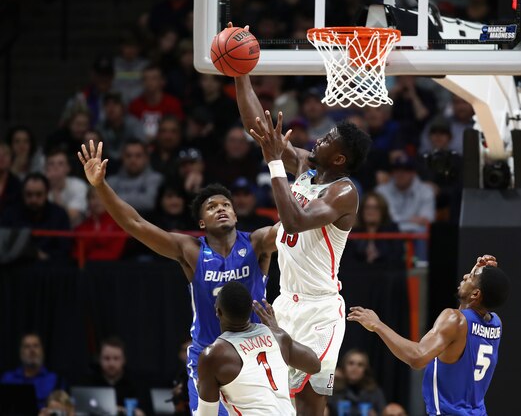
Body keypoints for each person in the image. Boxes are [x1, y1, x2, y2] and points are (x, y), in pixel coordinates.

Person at [77, 140, 278, 415]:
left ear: (235, 214)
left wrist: (305, 177)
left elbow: (294, 226)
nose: (221, 208)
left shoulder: (257, 242)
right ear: (202, 223)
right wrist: (100, 186)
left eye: (226, 204)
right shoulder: (191, 251)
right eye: (212, 207)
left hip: (254, 352)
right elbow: (135, 225)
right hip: (208, 357)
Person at [235, 67, 372, 414]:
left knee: (311, 405)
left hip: (319, 310)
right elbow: (260, 130)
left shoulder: (344, 192)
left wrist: (273, 164)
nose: (318, 140)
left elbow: (294, 222)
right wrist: (239, 75)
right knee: (275, 400)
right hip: (284, 303)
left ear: (339, 159)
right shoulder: (304, 166)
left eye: (327, 141)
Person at [348, 256, 509, 415]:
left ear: (475, 294)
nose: (466, 276)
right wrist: (478, 272)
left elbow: (417, 357)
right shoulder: (495, 324)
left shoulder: (454, 320)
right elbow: (466, 313)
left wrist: (377, 325)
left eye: (472, 277)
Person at [196, 281, 321, 415]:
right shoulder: (277, 336)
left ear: (218, 311)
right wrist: (277, 330)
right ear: (250, 309)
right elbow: (314, 365)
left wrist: (202, 387)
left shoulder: (214, 355)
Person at [0, 173, 71, 261]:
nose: (34, 199)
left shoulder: (59, 215)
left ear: (46, 193)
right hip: (16, 267)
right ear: (23, 194)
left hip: (51, 267)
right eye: (29, 194)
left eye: (39, 194)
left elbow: (65, 249)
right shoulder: (10, 213)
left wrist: (44, 256)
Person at [1, 333, 63, 409]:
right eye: (27, 346)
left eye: (36, 346)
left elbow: (64, 407)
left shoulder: (55, 379)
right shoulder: (8, 378)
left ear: (42, 350)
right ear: (21, 352)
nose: (32, 350)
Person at [85, 337, 146, 414]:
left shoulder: (136, 383)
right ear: (100, 360)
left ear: (123, 360)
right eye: (107, 358)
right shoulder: (89, 382)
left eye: (116, 358)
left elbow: (142, 411)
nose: (111, 364)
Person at [107, 139, 163, 216]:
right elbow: (106, 204)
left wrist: (115, 200)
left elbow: (149, 202)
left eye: (138, 156)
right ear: (122, 157)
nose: (133, 160)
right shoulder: (111, 181)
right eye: (128, 156)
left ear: (146, 158)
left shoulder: (156, 179)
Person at [327, 349, 387, 416]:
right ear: (343, 366)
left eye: (360, 365)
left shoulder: (375, 392)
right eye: (351, 363)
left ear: (365, 369)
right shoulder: (333, 390)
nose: (355, 368)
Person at [45, 149, 88, 227]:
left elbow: (71, 217)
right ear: (46, 168)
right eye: (51, 164)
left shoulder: (78, 185)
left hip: (73, 231)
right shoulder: (39, 187)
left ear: (68, 168)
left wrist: (55, 187)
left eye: (60, 164)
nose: (55, 167)